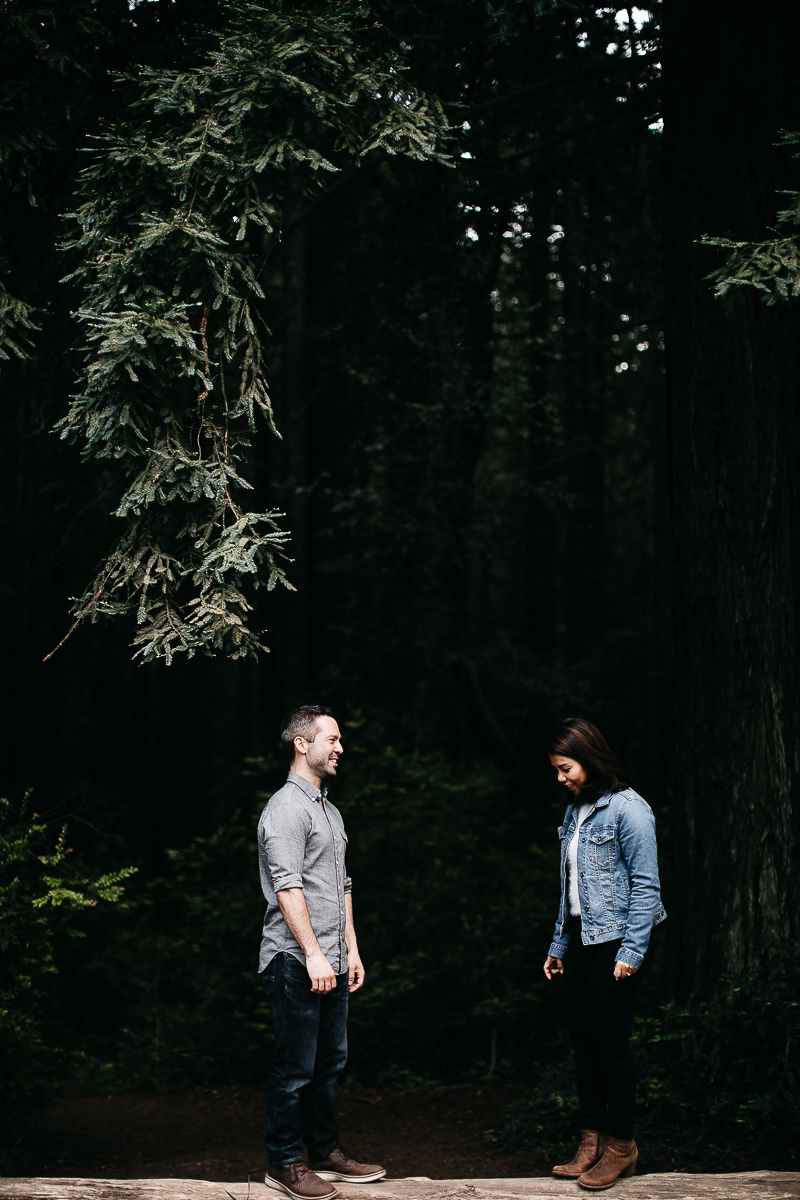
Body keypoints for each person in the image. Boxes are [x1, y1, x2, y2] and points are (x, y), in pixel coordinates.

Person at [258, 704, 386, 1200]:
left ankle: (324, 1152)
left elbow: (342, 886)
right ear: (301, 743)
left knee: (330, 1062)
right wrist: (312, 953)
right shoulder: (286, 809)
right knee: (294, 1068)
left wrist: (350, 951)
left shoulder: (328, 810)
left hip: (330, 958)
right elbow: (288, 888)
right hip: (294, 960)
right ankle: (283, 1163)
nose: (340, 748)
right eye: (331, 739)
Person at [542, 717, 666, 1191]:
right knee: (582, 1039)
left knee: (611, 1044)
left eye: (565, 767)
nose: (561, 778)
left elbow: (646, 887)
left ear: (589, 758)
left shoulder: (630, 810)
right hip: (578, 939)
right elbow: (567, 888)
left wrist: (632, 951)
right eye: (556, 770)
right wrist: (558, 945)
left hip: (617, 941)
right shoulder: (576, 811)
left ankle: (622, 1146)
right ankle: (590, 1141)